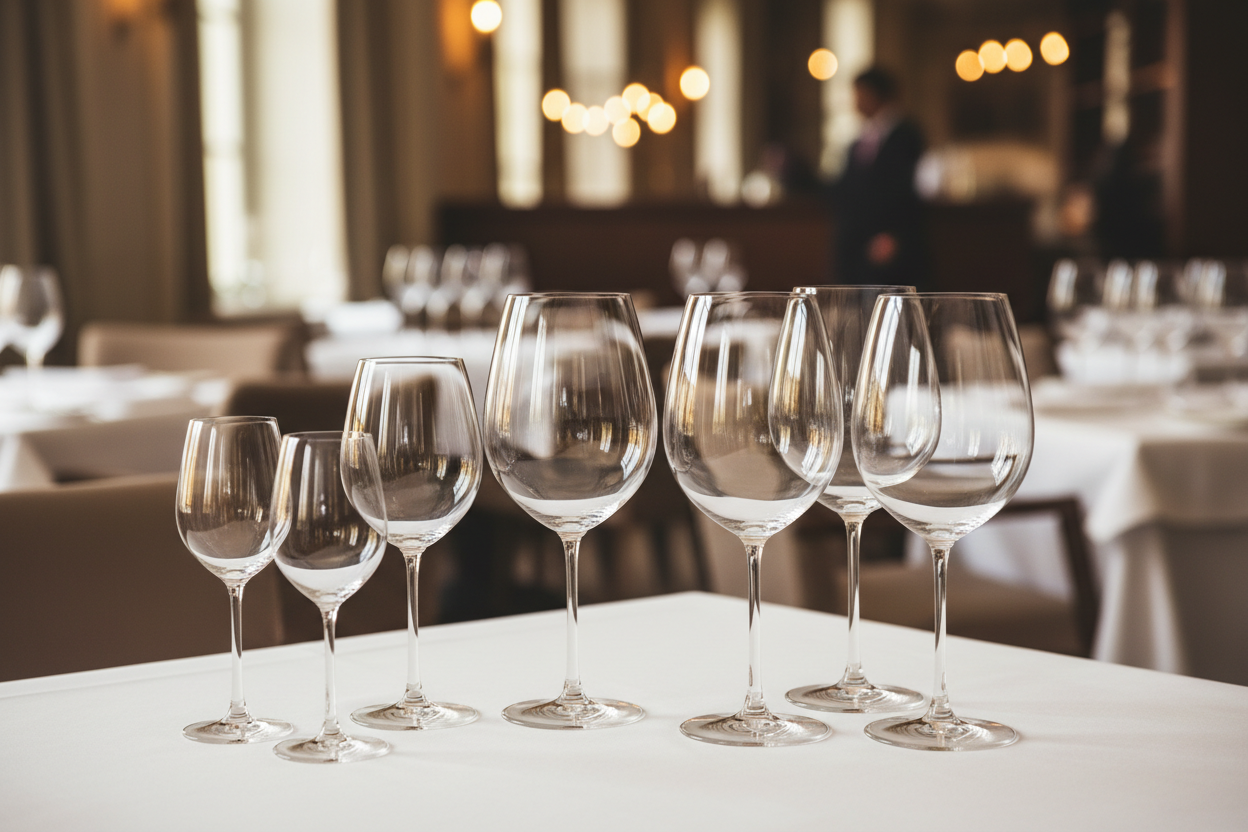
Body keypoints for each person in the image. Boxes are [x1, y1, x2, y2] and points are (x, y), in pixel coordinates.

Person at [832, 67, 927, 286]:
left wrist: (893, 234)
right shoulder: (860, 140)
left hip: (886, 240)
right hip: (855, 240)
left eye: (858, 94)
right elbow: (845, 188)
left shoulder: (905, 135)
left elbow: (905, 189)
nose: (854, 102)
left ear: (873, 95)